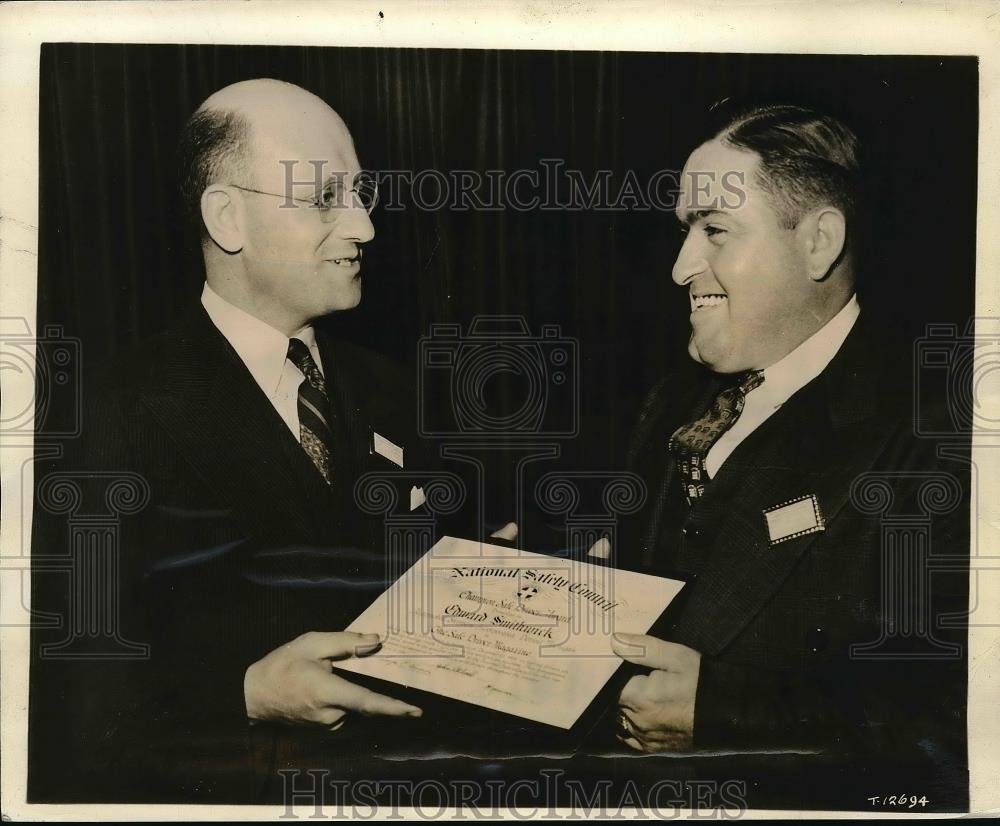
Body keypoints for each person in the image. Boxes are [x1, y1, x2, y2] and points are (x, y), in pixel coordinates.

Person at [31, 79, 431, 801]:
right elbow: (70, 704)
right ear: (227, 217)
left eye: (362, 194)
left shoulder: (392, 390)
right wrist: (245, 693)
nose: (365, 226)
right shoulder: (107, 412)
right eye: (324, 198)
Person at [607, 104, 969, 804]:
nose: (683, 267)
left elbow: (951, 729)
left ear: (819, 243)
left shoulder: (939, 439)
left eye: (714, 230)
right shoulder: (668, 401)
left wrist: (720, 714)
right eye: (685, 231)